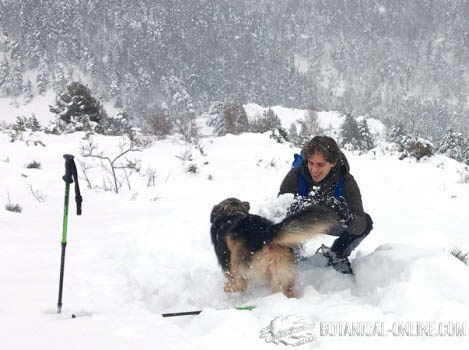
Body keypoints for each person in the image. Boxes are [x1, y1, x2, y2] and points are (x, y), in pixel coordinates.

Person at [279, 136, 373, 274]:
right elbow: (278, 211)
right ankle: (291, 254)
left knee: (366, 222)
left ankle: (338, 254)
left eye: (320, 165)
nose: (314, 170)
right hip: (299, 225)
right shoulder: (295, 175)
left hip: (329, 222)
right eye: (311, 163)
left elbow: (359, 222)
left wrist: (347, 217)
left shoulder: (346, 181)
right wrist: (294, 209)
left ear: (333, 163)